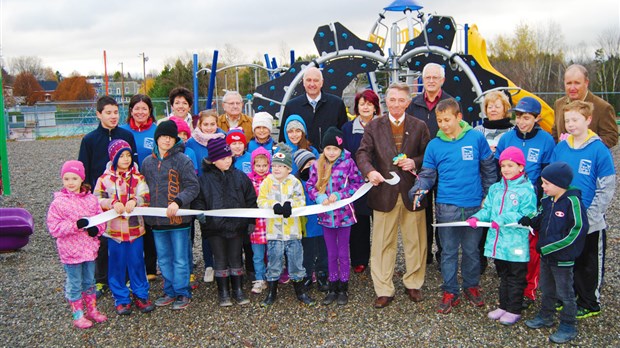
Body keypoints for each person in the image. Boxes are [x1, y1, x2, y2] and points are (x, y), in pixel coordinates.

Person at [409, 98, 497, 314]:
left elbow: (488, 169)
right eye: (439, 121)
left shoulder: (476, 138)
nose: (443, 124)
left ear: (459, 117)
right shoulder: (434, 145)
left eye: (447, 119)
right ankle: (450, 291)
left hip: (474, 206)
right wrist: (419, 188)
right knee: (447, 252)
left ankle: (471, 286)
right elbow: (427, 175)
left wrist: (489, 195)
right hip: (447, 207)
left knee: (471, 251)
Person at [356, 83, 430, 309]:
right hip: (383, 193)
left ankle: (413, 282)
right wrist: (370, 171)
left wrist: (414, 162)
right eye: (392, 99)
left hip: (412, 192)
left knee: (415, 241)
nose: (396, 104)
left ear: (408, 102)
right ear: (386, 101)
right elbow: (362, 153)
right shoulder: (374, 126)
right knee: (381, 243)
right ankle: (383, 288)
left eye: (401, 100)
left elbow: (429, 155)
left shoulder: (420, 126)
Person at [550, 101, 616, 319]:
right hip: (564, 217)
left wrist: (591, 215)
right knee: (567, 259)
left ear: (588, 120)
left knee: (588, 262)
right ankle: (566, 296)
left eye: (575, 120)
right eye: (567, 120)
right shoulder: (561, 148)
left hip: (588, 219)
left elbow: (606, 186)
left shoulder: (598, 150)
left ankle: (589, 301)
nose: (570, 124)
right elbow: (551, 178)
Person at [496, 96, 556, 308]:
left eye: (527, 117)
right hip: (508, 203)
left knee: (529, 249)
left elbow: (547, 173)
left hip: (531, 204)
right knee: (508, 246)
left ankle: (528, 291)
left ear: (537, 118)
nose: (522, 122)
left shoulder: (546, 140)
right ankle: (509, 288)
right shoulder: (506, 139)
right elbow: (498, 171)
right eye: (519, 116)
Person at [466, 147, 537, 325]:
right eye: (503, 165)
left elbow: (527, 213)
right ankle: (504, 306)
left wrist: (502, 219)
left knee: (516, 277)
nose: (505, 169)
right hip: (499, 244)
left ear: (521, 167)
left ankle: (514, 309)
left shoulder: (526, 189)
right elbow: (488, 209)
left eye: (510, 165)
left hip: (516, 244)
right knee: (503, 275)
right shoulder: (496, 188)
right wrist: (477, 217)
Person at [78, 95, 137, 298]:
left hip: (125, 198)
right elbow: (84, 171)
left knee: (126, 238)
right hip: (101, 199)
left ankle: (127, 279)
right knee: (102, 240)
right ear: (98, 114)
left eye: (116, 112)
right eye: (108, 113)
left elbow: (134, 166)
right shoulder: (90, 140)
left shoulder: (126, 135)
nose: (113, 116)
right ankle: (101, 280)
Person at [522, 162, 588, 344]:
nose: (543, 186)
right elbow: (541, 218)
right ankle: (546, 315)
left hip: (563, 259)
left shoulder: (572, 202)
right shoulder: (547, 201)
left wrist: (551, 247)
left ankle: (568, 325)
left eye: (546, 183)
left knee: (565, 293)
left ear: (559, 184)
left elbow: (577, 229)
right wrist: (530, 220)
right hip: (546, 256)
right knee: (547, 288)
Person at [141, 120, 200, 310]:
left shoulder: (183, 160)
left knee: (181, 258)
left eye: (170, 137)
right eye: (163, 136)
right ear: (157, 138)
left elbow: (193, 186)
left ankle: (183, 291)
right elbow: (143, 189)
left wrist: (178, 201)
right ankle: (169, 290)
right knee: (164, 258)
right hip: (157, 221)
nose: (166, 140)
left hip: (179, 220)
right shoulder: (147, 163)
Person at [192, 137, 257, 307]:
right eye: (222, 158)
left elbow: (250, 199)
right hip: (215, 227)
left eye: (228, 157)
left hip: (237, 226)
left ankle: (238, 289)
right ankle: (223, 292)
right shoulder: (204, 180)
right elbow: (199, 200)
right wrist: (201, 216)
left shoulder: (240, 177)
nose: (227, 160)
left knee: (236, 258)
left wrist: (251, 220)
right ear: (213, 160)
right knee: (219, 259)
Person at [93, 140, 154, 315]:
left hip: (135, 231)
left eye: (128, 155)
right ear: (114, 158)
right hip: (114, 233)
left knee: (137, 263)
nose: (126, 159)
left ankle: (141, 294)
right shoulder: (104, 179)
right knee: (117, 265)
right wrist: (112, 204)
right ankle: (121, 298)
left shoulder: (138, 177)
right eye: (122, 156)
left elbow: (145, 195)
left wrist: (136, 201)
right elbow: (96, 198)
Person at [307, 127, 365, 306]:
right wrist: (319, 196)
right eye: (328, 149)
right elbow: (310, 186)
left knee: (343, 253)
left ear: (340, 149)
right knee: (331, 253)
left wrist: (340, 195)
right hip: (326, 217)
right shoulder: (317, 165)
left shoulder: (348, 164)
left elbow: (358, 184)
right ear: (323, 149)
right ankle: (332, 286)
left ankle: (343, 286)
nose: (331, 152)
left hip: (345, 216)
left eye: (335, 149)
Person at [46, 160, 107, 329]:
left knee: (90, 281)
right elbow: (54, 227)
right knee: (74, 283)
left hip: (89, 249)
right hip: (70, 252)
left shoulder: (91, 199)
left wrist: (97, 230)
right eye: (66, 179)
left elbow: (100, 219)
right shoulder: (58, 203)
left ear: (82, 179)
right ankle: (77, 314)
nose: (70, 182)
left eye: (74, 178)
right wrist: (75, 226)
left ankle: (92, 310)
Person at [406, 63, 455, 267]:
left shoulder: (451, 103)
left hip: (445, 167)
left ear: (442, 80)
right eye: (428, 77)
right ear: (423, 80)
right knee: (422, 212)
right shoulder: (414, 104)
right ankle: (424, 255)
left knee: (444, 211)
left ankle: (443, 254)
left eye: (435, 77)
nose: (431, 81)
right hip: (422, 167)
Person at [257, 144, 316, 307]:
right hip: (274, 232)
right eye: (274, 165)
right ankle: (271, 292)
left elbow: (301, 200)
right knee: (274, 261)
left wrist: (291, 204)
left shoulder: (295, 182)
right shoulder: (267, 182)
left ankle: (300, 291)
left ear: (289, 169)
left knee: (296, 261)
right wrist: (273, 204)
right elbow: (260, 201)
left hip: (293, 232)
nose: (277, 169)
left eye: (281, 166)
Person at [120, 94, 158, 281]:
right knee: (130, 225)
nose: (140, 112)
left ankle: (150, 267)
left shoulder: (156, 131)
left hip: (151, 185)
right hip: (127, 187)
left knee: (149, 225)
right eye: (137, 108)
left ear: (150, 110)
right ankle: (130, 268)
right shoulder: (123, 131)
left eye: (144, 108)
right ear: (131, 110)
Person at [341, 89, 380, 274]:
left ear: (375, 107)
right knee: (359, 223)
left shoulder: (382, 125)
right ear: (356, 106)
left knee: (380, 223)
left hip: (379, 181)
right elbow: (345, 155)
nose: (365, 107)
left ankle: (380, 261)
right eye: (362, 103)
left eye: (369, 103)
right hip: (356, 183)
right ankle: (359, 259)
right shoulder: (347, 129)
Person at [185, 109, 225, 283]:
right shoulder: (192, 143)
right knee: (206, 229)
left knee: (222, 228)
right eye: (205, 124)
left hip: (220, 190)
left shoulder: (223, 139)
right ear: (199, 125)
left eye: (212, 124)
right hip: (200, 191)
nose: (209, 128)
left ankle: (222, 262)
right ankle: (209, 264)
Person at [280, 67, 348, 149]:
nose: (312, 84)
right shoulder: (291, 106)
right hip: (300, 158)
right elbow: (283, 139)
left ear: (322, 82)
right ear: (303, 82)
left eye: (316, 80)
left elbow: (344, 135)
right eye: (308, 80)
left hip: (329, 158)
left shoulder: (337, 104)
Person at [552, 64, 617, 149]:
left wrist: (585, 146)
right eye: (568, 83)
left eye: (577, 83)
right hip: (563, 159)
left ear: (586, 83)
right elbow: (555, 132)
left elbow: (611, 136)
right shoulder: (559, 104)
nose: (572, 88)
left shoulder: (602, 107)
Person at [294, 148, 329, 293]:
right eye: (306, 164)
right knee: (306, 253)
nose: (310, 166)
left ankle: (322, 275)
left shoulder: (323, 181)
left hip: (322, 225)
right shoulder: (297, 184)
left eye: (312, 163)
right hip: (306, 226)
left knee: (323, 252)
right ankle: (307, 274)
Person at [247, 147, 273, 294]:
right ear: (253, 165)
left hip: (270, 223)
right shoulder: (248, 180)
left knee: (271, 253)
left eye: (265, 165)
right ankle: (259, 279)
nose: (262, 169)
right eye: (258, 165)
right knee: (257, 255)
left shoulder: (272, 179)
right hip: (256, 224)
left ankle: (271, 277)